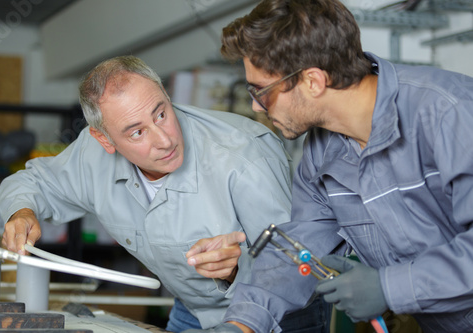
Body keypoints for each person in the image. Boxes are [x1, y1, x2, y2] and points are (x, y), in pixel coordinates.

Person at [183, 0, 473, 332]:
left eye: (261, 91)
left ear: (313, 81)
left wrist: (389, 287)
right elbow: (299, 249)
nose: (256, 106)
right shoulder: (322, 151)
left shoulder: (451, 113)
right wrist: (242, 323)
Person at [0, 55, 331, 332]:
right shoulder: (91, 153)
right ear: (105, 140)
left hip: (283, 316)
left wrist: (235, 270)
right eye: (137, 132)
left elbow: (297, 266)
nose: (164, 139)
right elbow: (30, 183)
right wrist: (21, 211)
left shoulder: (244, 155)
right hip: (192, 309)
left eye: (161, 113)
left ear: (167, 97)